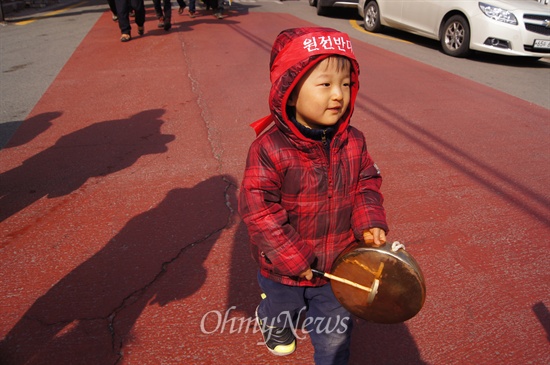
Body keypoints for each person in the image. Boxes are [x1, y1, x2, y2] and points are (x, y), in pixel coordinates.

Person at [238, 27, 388, 365]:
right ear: (290, 92)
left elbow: (366, 182)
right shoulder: (269, 148)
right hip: (283, 269)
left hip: (338, 264)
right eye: (325, 85)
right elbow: (258, 211)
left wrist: (369, 222)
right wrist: (295, 259)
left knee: (335, 337)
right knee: (284, 311)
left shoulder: (354, 140)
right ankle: (272, 319)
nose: (339, 95)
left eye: (346, 84)